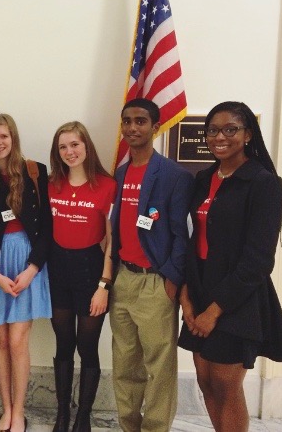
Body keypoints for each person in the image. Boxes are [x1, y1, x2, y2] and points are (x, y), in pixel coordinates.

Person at [178, 101, 282, 432]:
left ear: (248, 134)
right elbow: (193, 241)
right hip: (200, 288)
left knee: (226, 384)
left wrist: (214, 311)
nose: (219, 136)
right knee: (205, 380)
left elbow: (259, 259)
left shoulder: (264, 183)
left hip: (237, 297)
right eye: (212, 130)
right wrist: (187, 297)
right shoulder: (205, 177)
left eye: (230, 129)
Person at [109, 98, 193, 432]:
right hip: (123, 280)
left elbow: (181, 234)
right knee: (125, 364)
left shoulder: (173, 175)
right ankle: (130, 426)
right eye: (127, 121)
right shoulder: (119, 172)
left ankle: (156, 429)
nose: (132, 128)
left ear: (155, 127)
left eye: (140, 121)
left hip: (155, 283)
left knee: (159, 366)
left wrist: (170, 279)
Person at [0, 113, 52, 432]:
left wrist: (33, 269)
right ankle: (5, 408)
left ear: (13, 138)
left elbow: (48, 225)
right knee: (1, 339)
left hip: (27, 263)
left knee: (18, 340)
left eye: (4, 136)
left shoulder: (35, 172)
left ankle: (19, 411)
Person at [47, 122, 116, 432]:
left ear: (86, 146)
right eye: (63, 147)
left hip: (91, 270)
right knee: (63, 344)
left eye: (75, 144)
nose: (70, 151)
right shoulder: (50, 184)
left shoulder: (106, 185)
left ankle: (83, 417)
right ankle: (63, 413)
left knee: (87, 347)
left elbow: (113, 241)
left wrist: (104, 285)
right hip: (57, 269)